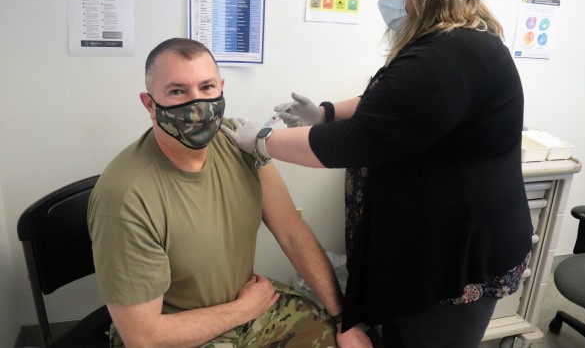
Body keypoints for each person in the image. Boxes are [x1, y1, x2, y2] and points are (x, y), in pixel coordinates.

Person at [221, 0, 533, 347]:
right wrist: (327, 112)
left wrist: (261, 142)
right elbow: (387, 98)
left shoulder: (448, 57)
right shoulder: (450, 39)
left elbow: (349, 143)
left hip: (456, 255)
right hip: (431, 239)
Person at [87, 38, 372, 348]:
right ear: (149, 104)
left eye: (207, 87)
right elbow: (143, 338)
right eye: (177, 91)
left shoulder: (238, 142)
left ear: (221, 87)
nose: (197, 105)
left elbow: (291, 230)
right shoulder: (126, 197)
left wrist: (345, 319)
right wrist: (242, 309)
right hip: (181, 333)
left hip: (251, 309)